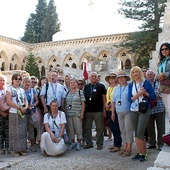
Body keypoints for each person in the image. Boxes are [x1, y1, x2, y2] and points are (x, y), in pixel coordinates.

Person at [128, 66, 156, 162]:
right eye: (133, 72)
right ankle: (139, 153)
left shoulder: (146, 83)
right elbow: (129, 99)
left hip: (144, 109)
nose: (135, 74)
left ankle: (144, 154)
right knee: (136, 133)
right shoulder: (131, 84)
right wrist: (139, 94)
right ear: (131, 74)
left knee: (140, 132)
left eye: (137, 72)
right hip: (133, 110)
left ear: (140, 72)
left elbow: (153, 96)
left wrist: (145, 93)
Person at [112, 71, 133, 156]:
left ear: (126, 78)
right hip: (119, 111)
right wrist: (113, 112)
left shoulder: (130, 87)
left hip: (128, 111)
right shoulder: (116, 88)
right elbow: (113, 101)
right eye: (119, 78)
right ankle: (124, 146)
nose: (120, 79)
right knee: (122, 130)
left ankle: (129, 148)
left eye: (122, 77)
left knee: (129, 130)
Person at [6, 74, 28, 157]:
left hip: (22, 112)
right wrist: (19, 107)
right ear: (12, 79)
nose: (18, 80)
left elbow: (25, 100)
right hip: (14, 112)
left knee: (22, 131)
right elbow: (8, 101)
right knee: (15, 132)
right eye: (16, 78)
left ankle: (22, 149)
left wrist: (25, 107)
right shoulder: (9, 89)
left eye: (19, 79)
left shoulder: (21, 90)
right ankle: (15, 150)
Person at [83, 72, 106, 150]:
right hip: (88, 111)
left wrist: (104, 110)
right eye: (92, 76)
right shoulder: (86, 87)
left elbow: (104, 99)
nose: (93, 77)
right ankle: (89, 143)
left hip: (98, 111)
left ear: (97, 77)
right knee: (87, 128)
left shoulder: (101, 86)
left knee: (99, 128)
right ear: (89, 77)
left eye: (95, 76)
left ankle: (99, 144)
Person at [146, 70, 165, 150]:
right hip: (150, 109)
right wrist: (153, 95)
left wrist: (153, 95)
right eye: (148, 75)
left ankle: (161, 143)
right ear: (146, 76)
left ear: (154, 75)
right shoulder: (145, 84)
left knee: (160, 127)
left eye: (151, 74)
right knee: (150, 127)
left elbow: (162, 91)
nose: (149, 76)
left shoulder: (159, 82)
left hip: (159, 107)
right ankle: (152, 143)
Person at [64, 78, 85, 151]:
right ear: (69, 84)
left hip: (77, 114)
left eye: (74, 82)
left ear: (76, 84)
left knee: (78, 129)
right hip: (69, 114)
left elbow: (83, 103)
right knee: (70, 130)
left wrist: (82, 114)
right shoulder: (67, 92)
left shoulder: (80, 92)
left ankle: (79, 142)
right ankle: (72, 143)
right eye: (71, 83)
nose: (73, 84)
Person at [104, 72, 122, 152]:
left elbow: (116, 100)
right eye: (110, 78)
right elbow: (107, 99)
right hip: (109, 110)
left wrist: (110, 106)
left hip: (114, 110)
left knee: (116, 127)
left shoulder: (117, 88)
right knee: (112, 127)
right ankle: (115, 143)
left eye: (113, 78)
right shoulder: (109, 88)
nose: (111, 79)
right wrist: (106, 105)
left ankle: (118, 145)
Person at [23, 77, 39, 152]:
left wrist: (34, 104)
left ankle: (32, 145)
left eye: (28, 82)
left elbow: (37, 100)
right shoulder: (21, 91)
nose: (27, 83)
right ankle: (23, 146)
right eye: (26, 82)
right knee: (23, 130)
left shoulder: (33, 90)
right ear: (23, 82)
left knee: (31, 130)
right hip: (23, 113)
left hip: (32, 113)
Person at [157, 42, 170, 129]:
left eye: (166, 49)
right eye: (162, 49)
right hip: (163, 87)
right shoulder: (161, 62)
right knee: (168, 111)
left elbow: (165, 73)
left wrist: (165, 74)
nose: (164, 51)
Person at [36, 76, 48, 146]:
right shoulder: (37, 89)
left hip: (47, 109)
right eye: (43, 79)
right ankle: (40, 141)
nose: (44, 81)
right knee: (40, 126)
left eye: (46, 80)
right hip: (40, 109)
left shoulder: (48, 88)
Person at [0, 75, 10, 154]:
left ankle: (7, 147)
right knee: (0, 131)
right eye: (0, 80)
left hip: (8, 113)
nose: (2, 82)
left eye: (3, 80)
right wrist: (1, 112)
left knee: (7, 131)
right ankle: (0, 148)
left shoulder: (7, 90)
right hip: (0, 113)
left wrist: (7, 112)